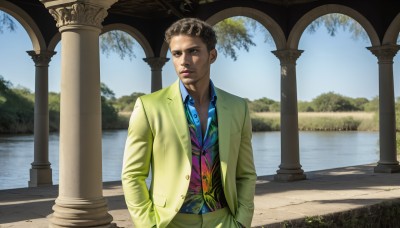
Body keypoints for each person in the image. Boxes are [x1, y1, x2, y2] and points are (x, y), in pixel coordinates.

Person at [121, 17, 257, 228]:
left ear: (212, 55)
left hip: (224, 221)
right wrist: (149, 225)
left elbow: (246, 174)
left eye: (193, 51)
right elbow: (132, 175)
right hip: (171, 222)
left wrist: (241, 221)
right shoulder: (149, 107)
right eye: (177, 53)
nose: (184, 61)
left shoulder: (238, 107)